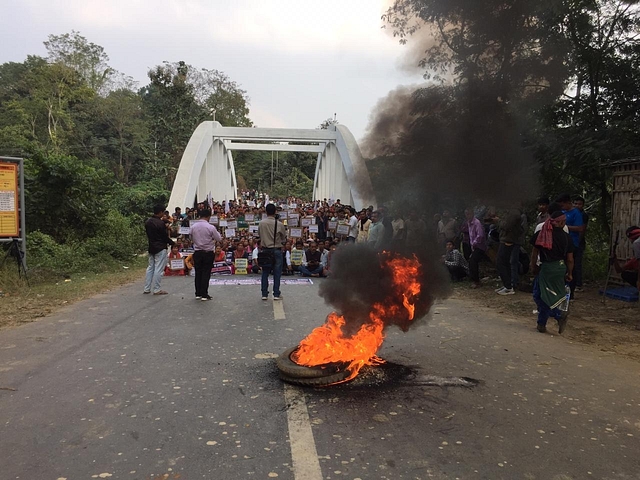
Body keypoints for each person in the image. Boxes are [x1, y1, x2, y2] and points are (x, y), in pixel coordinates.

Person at [529, 210, 575, 334]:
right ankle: (544, 322)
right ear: (561, 222)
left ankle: (556, 316)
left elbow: (534, 254)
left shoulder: (542, 234)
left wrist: (533, 266)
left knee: (539, 295)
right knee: (551, 295)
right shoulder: (567, 238)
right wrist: (569, 273)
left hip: (547, 268)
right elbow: (570, 259)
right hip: (560, 268)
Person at [190, 208, 222, 301]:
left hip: (197, 252)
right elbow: (219, 238)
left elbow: (191, 237)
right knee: (206, 273)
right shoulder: (211, 227)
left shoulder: (193, 226)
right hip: (208, 252)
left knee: (198, 272)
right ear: (208, 216)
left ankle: (198, 293)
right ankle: (204, 294)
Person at [258, 204, 287, 300]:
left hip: (265, 250)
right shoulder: (279, 224)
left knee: (265, 272)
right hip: (276, 250)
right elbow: (283, 238)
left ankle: (264, 294)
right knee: (277, 273)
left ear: (266, 212)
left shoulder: (261, 223)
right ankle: (276, 294)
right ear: (275, 212)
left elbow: (259, 235)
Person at [143, 204, 175, 295]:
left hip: (151, 246)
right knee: (159, 269)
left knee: (150, 268)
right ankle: (157, 289)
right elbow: (164, 237)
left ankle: (147, 288)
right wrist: (173, 243)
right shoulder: (160, 223)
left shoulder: (148, 222)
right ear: (160, 212)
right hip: (160, 247)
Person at [465, 208, 490, 289]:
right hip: (474, 246)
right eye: (466, 214)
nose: (467, 216)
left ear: (472, 214)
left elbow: (480, 235)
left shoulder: (477, 222)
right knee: (471, 261)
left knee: (473, 261)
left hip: (480, 246)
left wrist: (475, 243)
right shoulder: (469, 223)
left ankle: (476, 281)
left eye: (469, 214)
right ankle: (474, 279)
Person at [611, 226, 640, 291]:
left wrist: (639, 281)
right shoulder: (634, 260)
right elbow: (619, 270)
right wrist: (615, 259)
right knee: (625, 274)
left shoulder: (637, 243)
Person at [572, 196, 588, 291]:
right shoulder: (571, 214)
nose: (577, 206)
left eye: (580, 204)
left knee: (577, 263)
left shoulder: (583, 215)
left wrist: (577, 241)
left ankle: (578, 284)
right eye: (576, 204)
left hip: (578, 242)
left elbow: (582, 229)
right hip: (571, 242)